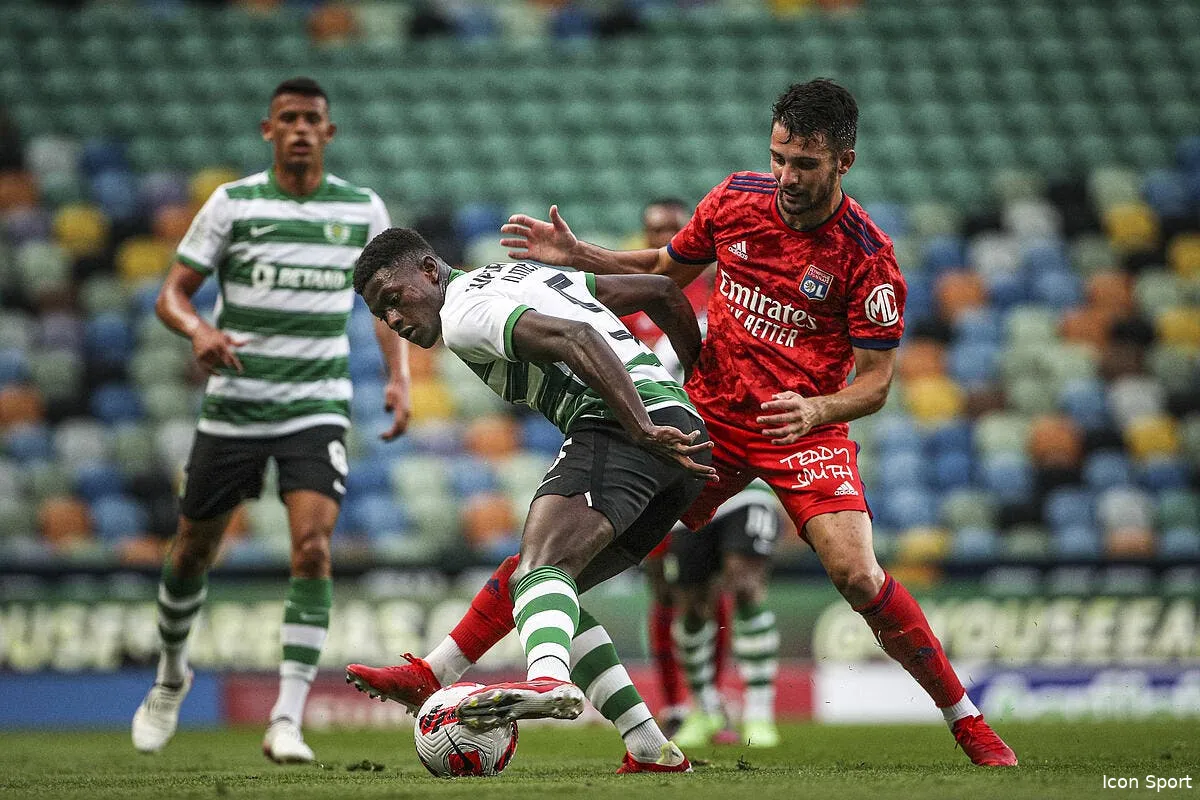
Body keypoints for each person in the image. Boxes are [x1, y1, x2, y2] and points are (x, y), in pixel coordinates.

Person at [496, 78, 1017, 767]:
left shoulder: (866, 255)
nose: (786, 176)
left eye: (805, 164)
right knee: (569, 547)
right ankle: (448, 674)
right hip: (709, 412)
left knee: (858, 576)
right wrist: (581, 255)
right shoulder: (737, 200)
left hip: (801, 429)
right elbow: (663, 268)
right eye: (779, 157)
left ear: (843, 162)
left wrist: (818, 408)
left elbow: (878, 382)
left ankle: (967, 721)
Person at [352, 227, 716, 772]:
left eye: (395, 298)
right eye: (383, 314)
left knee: (539, 571)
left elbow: (580, 341)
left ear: (430, 270)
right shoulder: (526, 276)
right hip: (680, 434)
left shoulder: (464, 313)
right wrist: (696, 389)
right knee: (542, 587)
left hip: (622, 426)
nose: (395, 319)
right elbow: (662, 294)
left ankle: (547, 680)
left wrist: (639, 426)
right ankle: (649, 747)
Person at [131, 77, 412, 764]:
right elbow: (172, 294)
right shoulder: (233, 204)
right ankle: (171, 673)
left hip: (316, 407)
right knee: (193, 549)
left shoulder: (361, 210)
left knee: (313, 550)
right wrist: (197, 330)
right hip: (234, 408)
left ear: (329, 132)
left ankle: (286, 718)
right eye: (287, 118)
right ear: (268, 130)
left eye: (312, 119)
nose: (299, 129)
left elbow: (390, 301)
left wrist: (400, 377)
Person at [626, 198, 785, 749]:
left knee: (740, 582)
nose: (665, 238)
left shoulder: (731, 289)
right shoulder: (627, 300)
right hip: (672, 466)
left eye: (673, 229)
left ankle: (750, 710)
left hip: (740, 456)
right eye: (655, 230)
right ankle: (686, 705)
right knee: (674, 592)